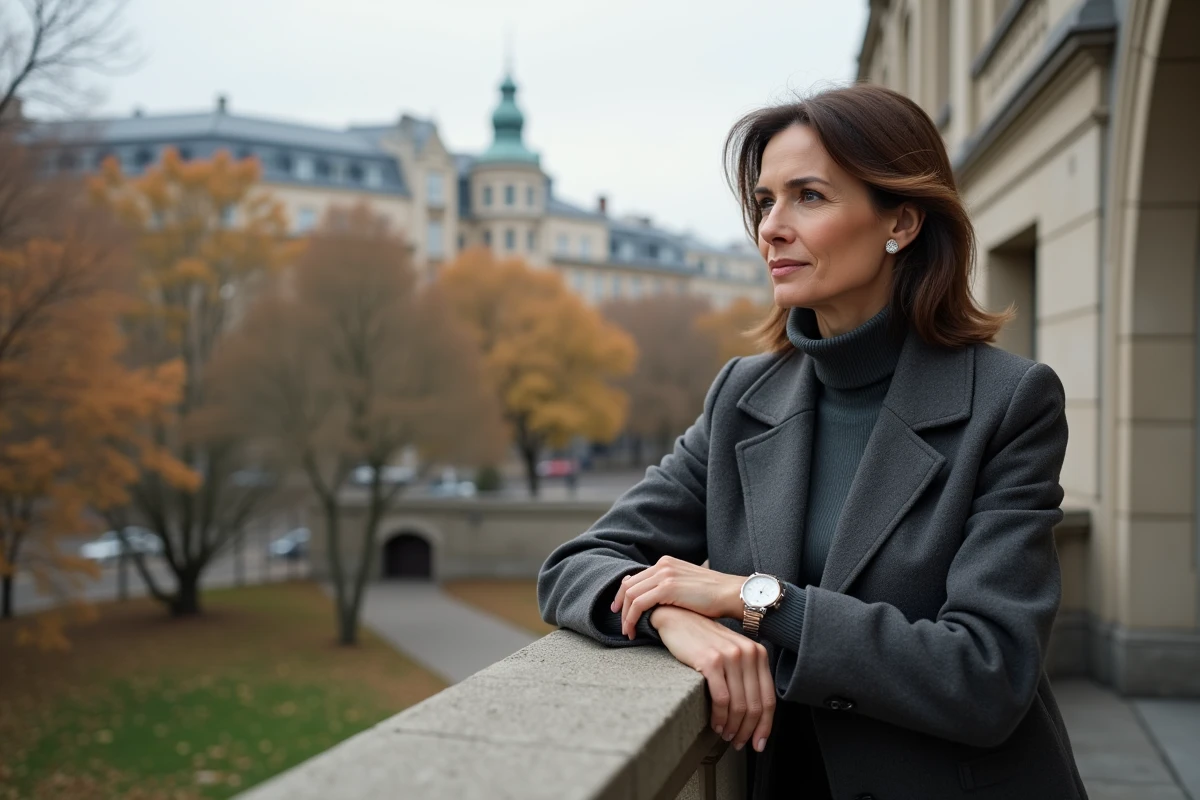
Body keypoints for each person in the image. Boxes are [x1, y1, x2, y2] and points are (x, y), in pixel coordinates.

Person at [537, 84, 1088, 800]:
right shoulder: (743, 396)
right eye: (765, 201)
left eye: (809, 197)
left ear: (902, 221)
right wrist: (674, 617)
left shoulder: (1010, 403)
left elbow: (986, 673)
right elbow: (575, 565)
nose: (771, 227)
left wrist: (750, 599)